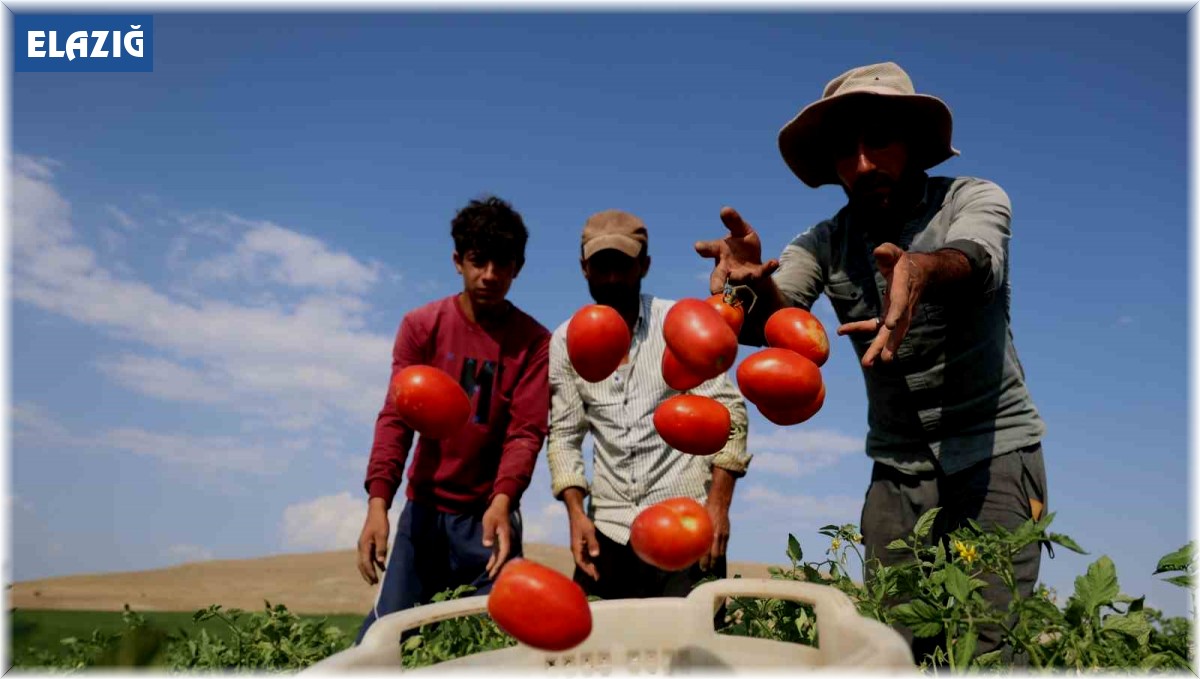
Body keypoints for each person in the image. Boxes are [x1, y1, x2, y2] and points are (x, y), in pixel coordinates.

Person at [695, 62, 1048, 662]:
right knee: (890, 643)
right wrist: (746, 289)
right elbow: (779, 325)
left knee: (989, 644)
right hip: (896, 466)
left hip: (994, 452)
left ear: (912, 144)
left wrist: (922, 268)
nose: (862, 163)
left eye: (879, 141)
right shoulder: (822, 241)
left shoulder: (973, 198)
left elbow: (978, 257)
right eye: (845, 150)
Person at [354, 196, 551, 644]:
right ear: (457, 261)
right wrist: (378, 504)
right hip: (423, 514)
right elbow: (396, 418)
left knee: (492, 644)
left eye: (502, 264)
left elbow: (526, 430)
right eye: (478, 262)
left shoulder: (534, 342)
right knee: (386, 641)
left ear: (518, 267)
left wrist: (503, 501)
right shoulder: (422, 326)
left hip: (487, 518)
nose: (489, 276)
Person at [547, 208, 752, 601]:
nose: (611, 278)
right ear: (583, 268)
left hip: (684, 526)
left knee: (691, 655)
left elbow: (729, 414)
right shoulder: (564, 341)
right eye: (601, 266)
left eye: (622, 265)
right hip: (607, 530)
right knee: (598, 655)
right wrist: (575, 516)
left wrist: (718, 508)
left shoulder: (677, 323)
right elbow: (564, 435)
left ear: (644, 265)